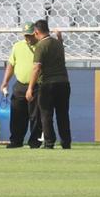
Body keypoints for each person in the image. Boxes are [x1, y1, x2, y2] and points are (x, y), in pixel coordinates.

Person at [26, 19, 71, 149]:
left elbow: (37, 68)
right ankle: (66, 142)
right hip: (64, 83)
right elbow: (60, 50)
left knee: (46, 115)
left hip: (48, 84)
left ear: (36, 32)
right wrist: (59, 37)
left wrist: (30, 88)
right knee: (63, 114)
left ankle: (49, 142)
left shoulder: (41, 46)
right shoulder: (57, 44)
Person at [0, 22, 44, 148]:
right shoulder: (17, 46)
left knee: (36, 116)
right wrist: (5, 82)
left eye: (29, 35)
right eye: (25, 36)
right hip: (20, 85)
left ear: (35, 33)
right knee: (17, 114)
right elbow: (11, 65)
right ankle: (16, 141)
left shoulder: (41, 46)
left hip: (37, 86)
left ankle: (35, 141)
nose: (27, 38)